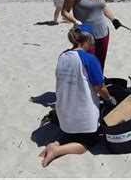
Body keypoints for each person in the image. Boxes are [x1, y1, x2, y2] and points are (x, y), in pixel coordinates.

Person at [39, 24, 116, 167]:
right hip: (82, 114)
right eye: (93, 41)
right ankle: (57, 150)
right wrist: (109, 99)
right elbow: (100, 87)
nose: (94, 44)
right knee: (90, 141)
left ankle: (54, 143)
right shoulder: (89, 59)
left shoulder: (62, 56)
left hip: (64, 112)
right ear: (88, 39)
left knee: (70, 133)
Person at [62, 0, 127, 71]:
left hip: (103, 33)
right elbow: (64, 12)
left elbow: (103, 6)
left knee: (99, 66)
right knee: (87, 67)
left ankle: (98, 87)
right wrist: (77, 22)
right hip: (85, 36)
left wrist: (114, 19)